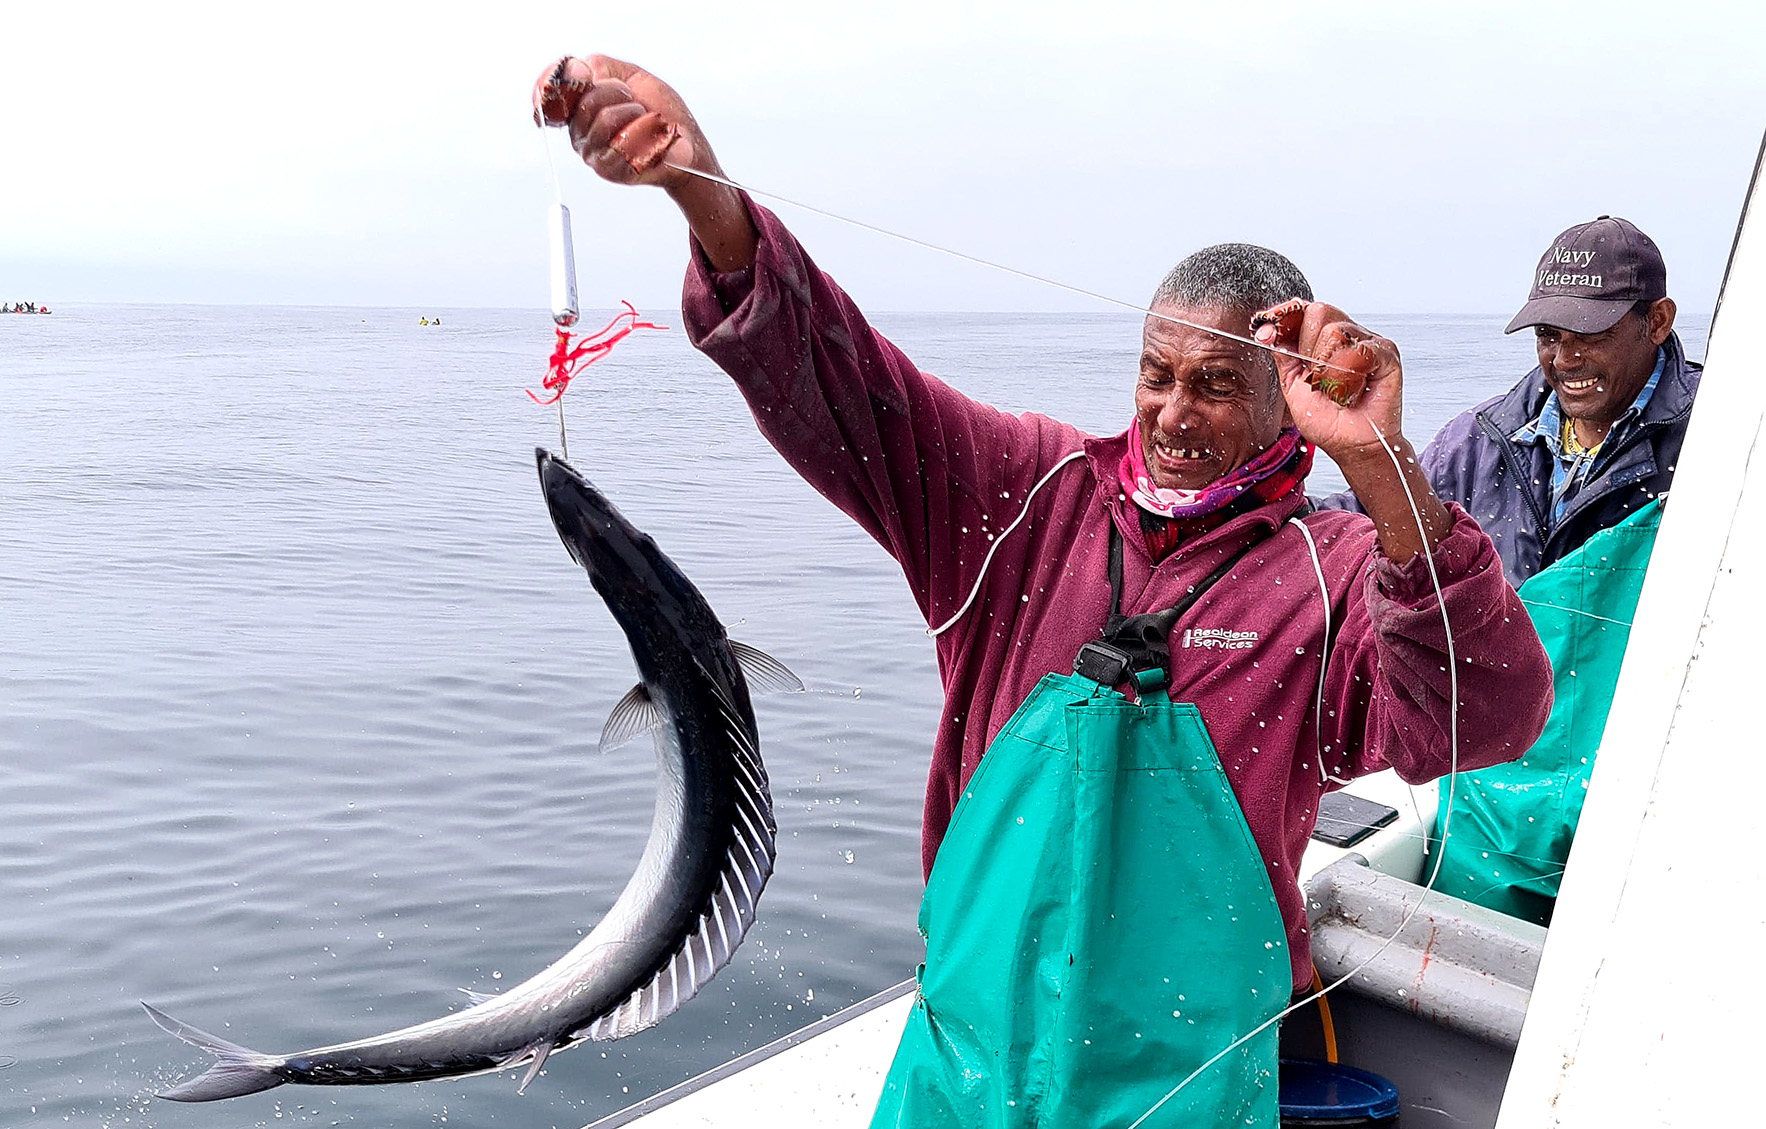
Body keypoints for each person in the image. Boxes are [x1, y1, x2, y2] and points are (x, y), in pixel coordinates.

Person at [534, 55, 1553, 1127]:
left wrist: (1380, 465)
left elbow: (1483, 718)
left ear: (1283, 400)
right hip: (962, 1059)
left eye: (1212, 385)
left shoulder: (1338, 568)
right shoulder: (1024, 494)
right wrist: (701, 189)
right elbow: (841, 383)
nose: (1170, 414)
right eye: (1155, 374)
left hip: (1185, 1079)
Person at [1351, 218, 1697, 925]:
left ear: (1657, 321)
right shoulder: (1479, 441)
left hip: (1652, 776)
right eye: (1548, 336)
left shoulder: (1721, 440)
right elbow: (1365, 525)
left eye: (1590, 334)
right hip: (1496, 776)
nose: (1565, 357)